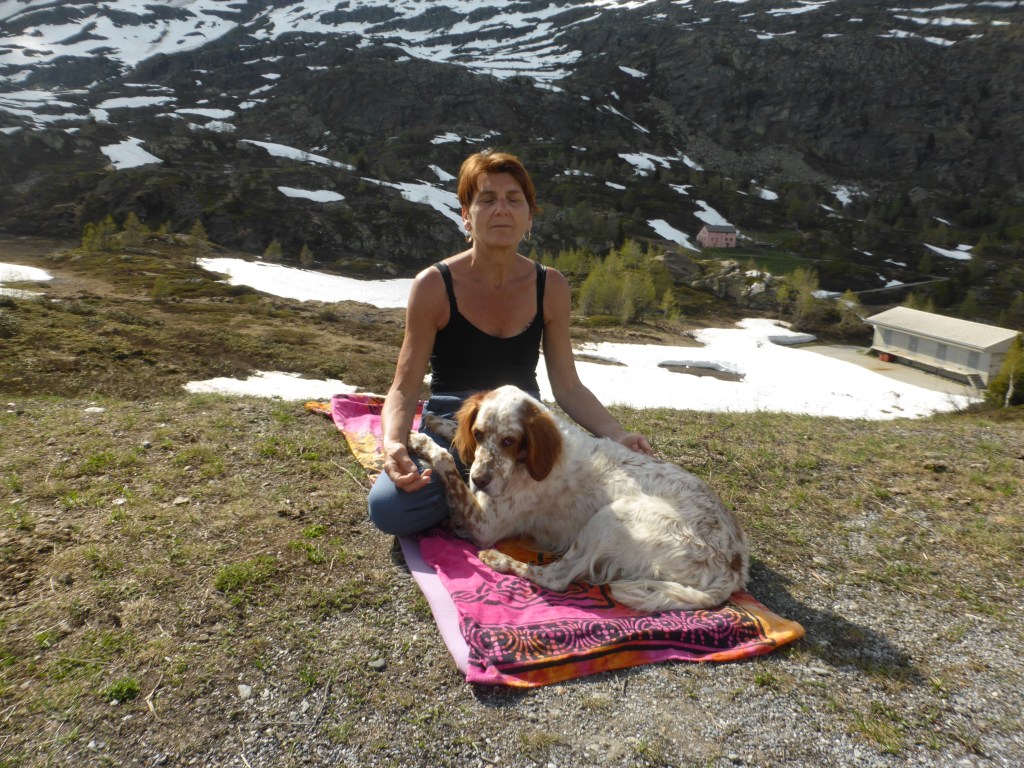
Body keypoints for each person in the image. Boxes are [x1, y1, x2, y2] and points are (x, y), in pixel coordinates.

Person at [368, 150, 652, 536]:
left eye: (513, 200)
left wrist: (618, 436)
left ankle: (499, 506)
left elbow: (568, 387)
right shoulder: (433, 285)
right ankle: (503, 505)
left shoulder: (549, 285)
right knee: (391, 510)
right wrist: (394, 444)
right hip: (458, 424)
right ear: (466, 216)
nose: (501, 209)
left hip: (523, 431)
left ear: (529, 216)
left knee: (612, 499)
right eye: (486, 199)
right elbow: (403, 387)